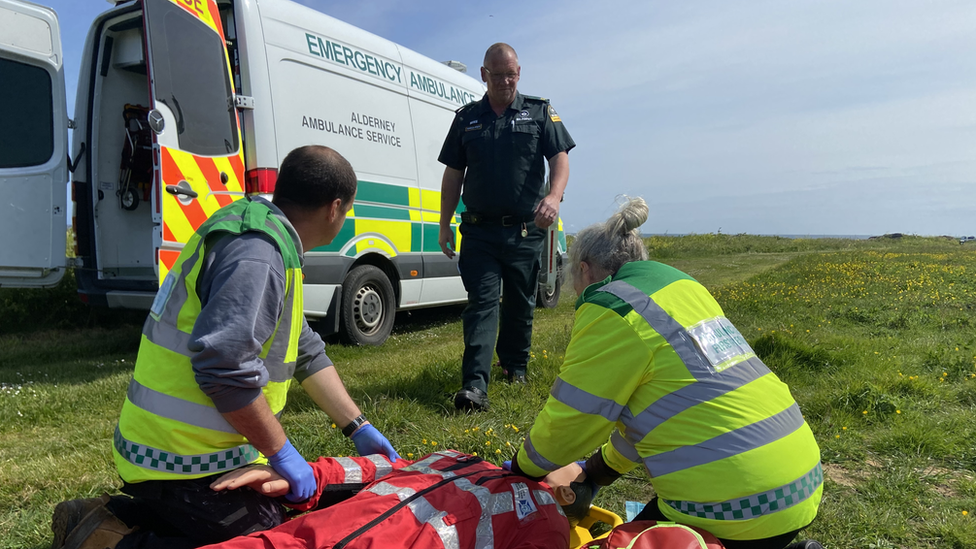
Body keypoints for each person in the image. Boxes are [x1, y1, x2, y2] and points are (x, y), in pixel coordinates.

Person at [52, 146, 401, 549]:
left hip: (193, 451)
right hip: (177, 460)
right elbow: (223, 368)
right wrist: (282, 452)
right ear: (335, 208)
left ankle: (121, 515)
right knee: (269, 542)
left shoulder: (269, 238)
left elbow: (304, 348)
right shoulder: (260, 253)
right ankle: (109, 542)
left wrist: (357, 425)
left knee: (276, 517)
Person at [510, 197, 824, 549]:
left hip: (738, 506)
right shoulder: (682, 288)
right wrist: (597, 471)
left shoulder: (612, 306)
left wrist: (520, 471)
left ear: (584, 269)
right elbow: (662, 412)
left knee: (635, 541)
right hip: (803, 483)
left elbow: (573, 418)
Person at [438, 42, 575, 411]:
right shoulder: (467, 118)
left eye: (511, 74)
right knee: (482, 305)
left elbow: (559, 159)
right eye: (497, 75)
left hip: (525, 231)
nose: (505, 81)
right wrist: (444, 222)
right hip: (479, 232)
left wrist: (554, 197)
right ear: (484, 75)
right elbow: (453, 174)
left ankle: (515, 366)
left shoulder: (539, 112)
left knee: (519, 303)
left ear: (519, 72)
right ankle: (474, 386)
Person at [197, 450, 593, 549]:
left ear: (567, 491)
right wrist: (304, 475)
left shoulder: (548, 522)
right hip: (304, 536)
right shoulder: (461, 458)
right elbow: (377, 469)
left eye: (570, 459)